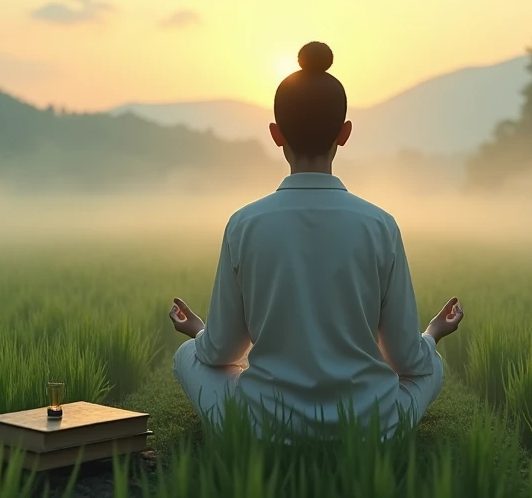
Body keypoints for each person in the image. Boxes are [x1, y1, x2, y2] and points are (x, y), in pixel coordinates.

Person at [169, 41, 464, 439]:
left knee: (189, 357)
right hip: (370, 426)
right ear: (344, 134)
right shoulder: (381, 225)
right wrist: (433, 335)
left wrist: (199, 333)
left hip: (263, 427)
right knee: (434, 366)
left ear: (276, 134)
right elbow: (408, 360)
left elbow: (221, 352)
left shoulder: (244, 223)